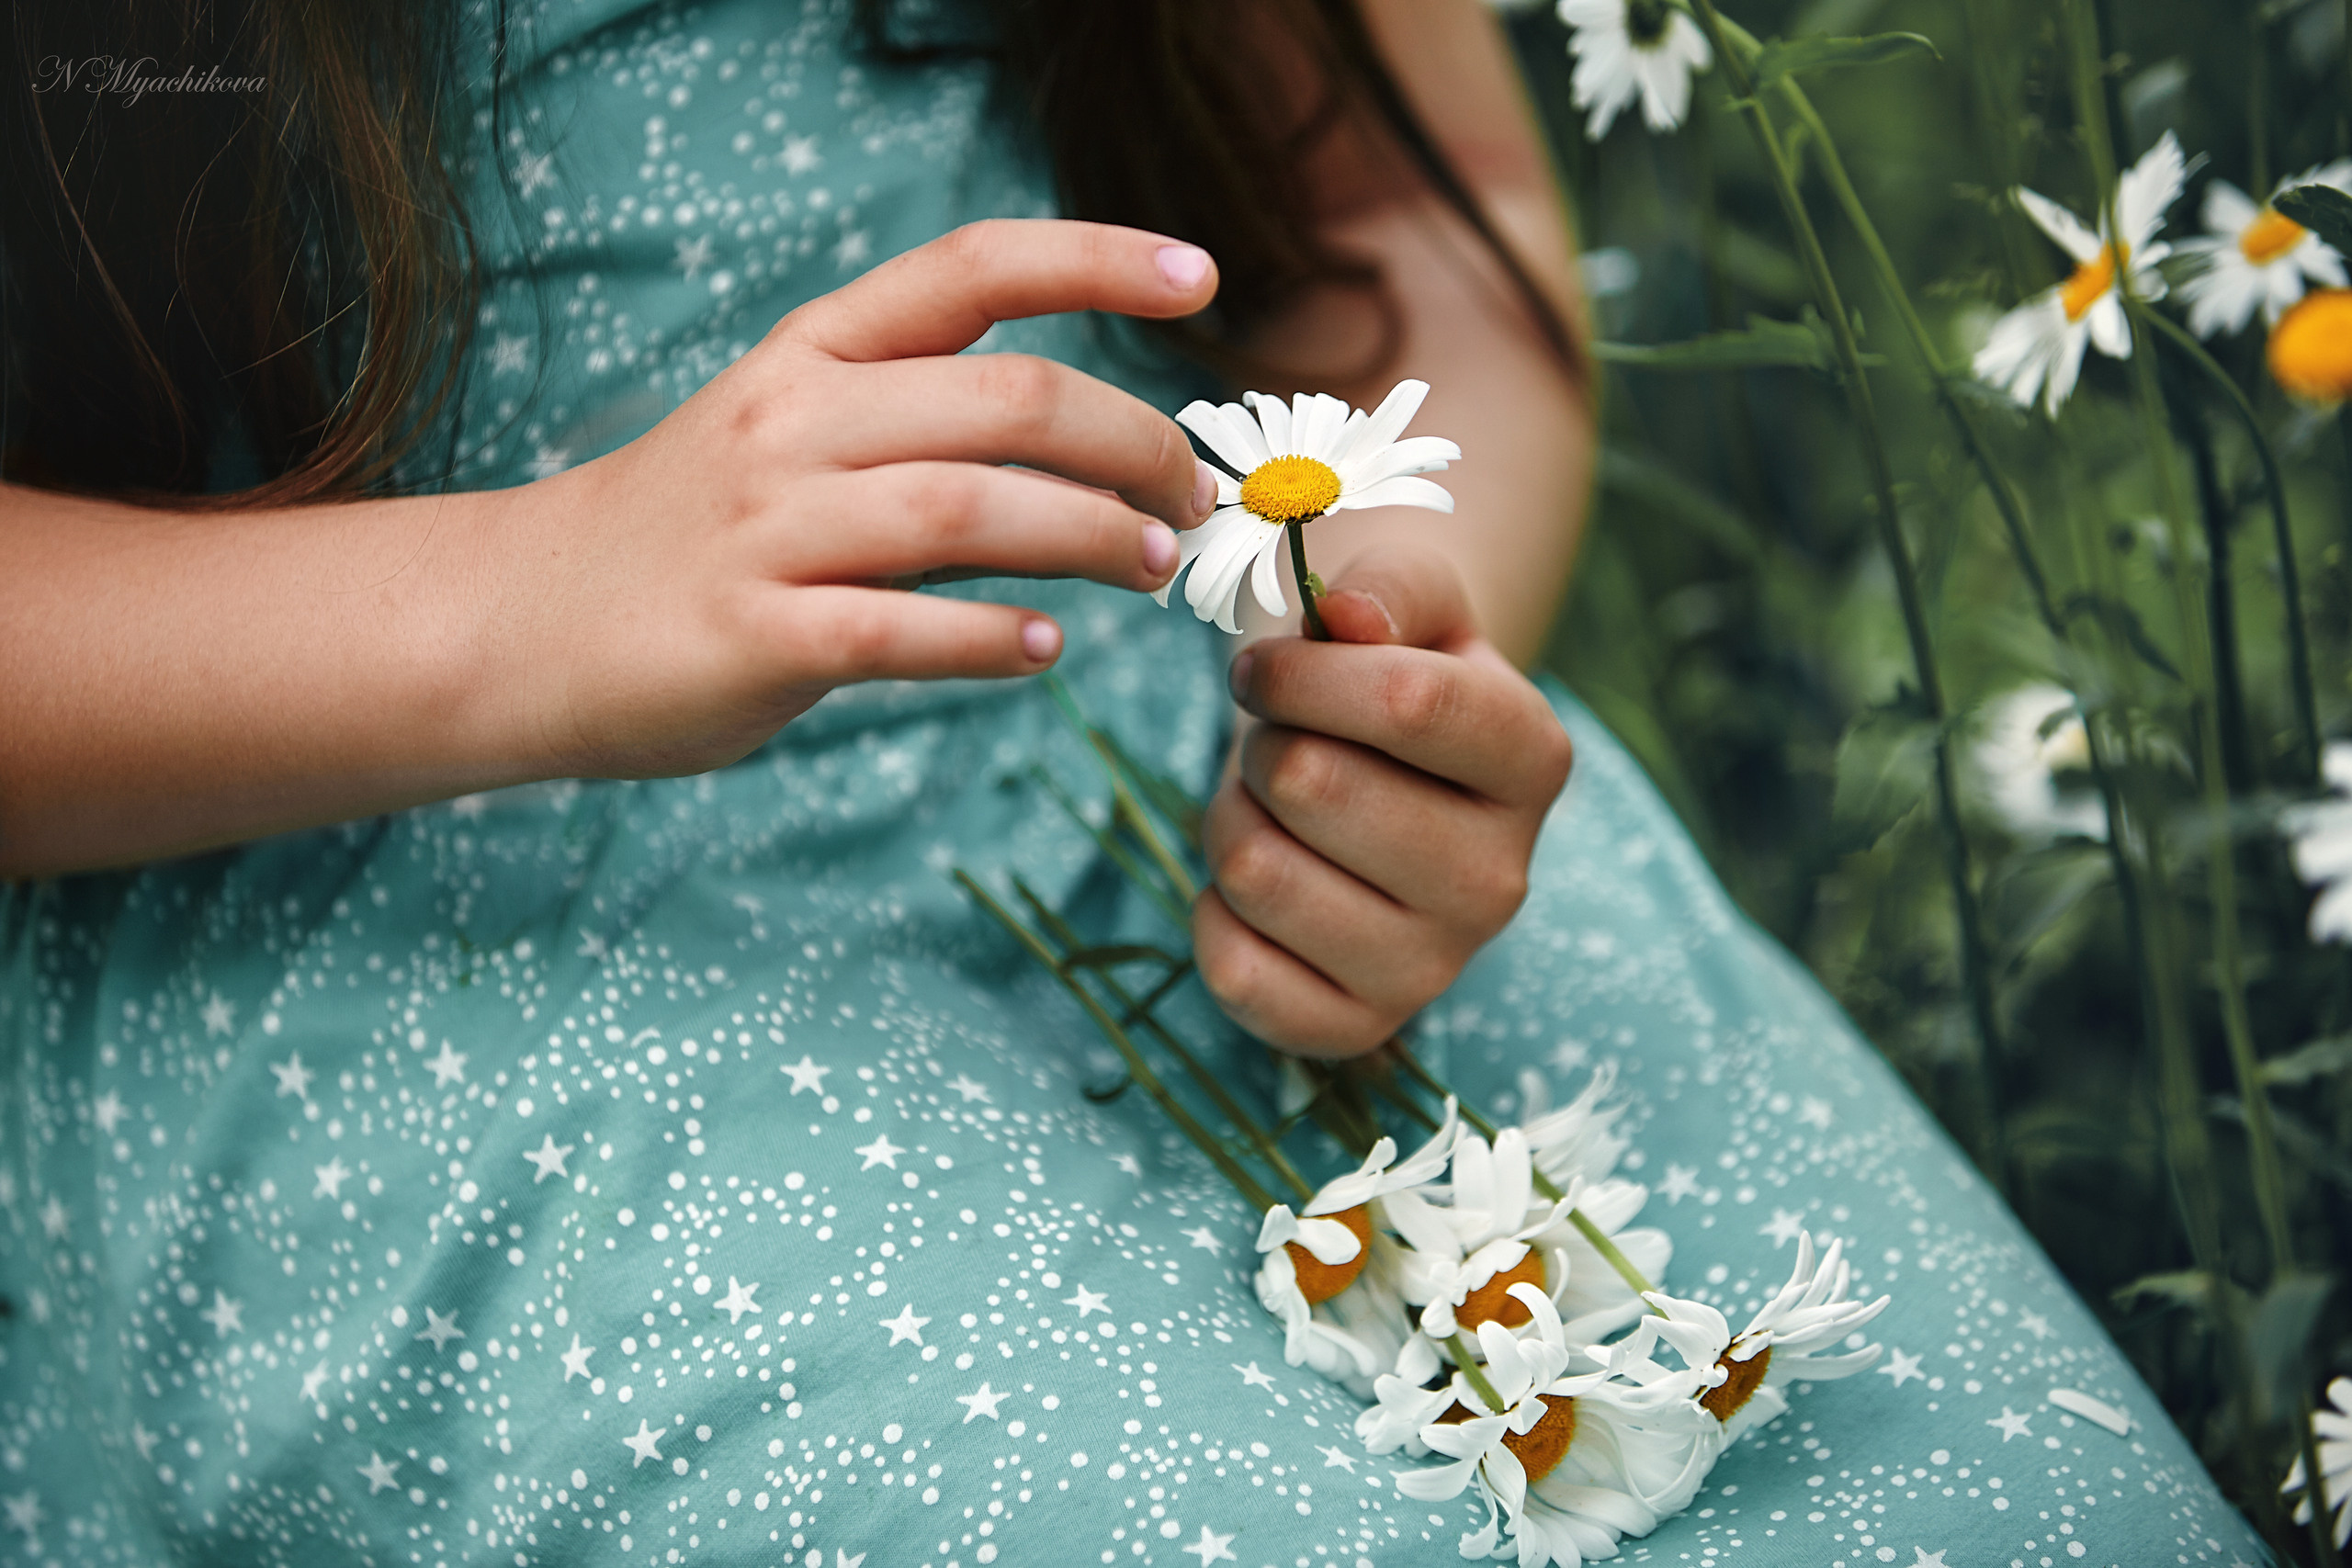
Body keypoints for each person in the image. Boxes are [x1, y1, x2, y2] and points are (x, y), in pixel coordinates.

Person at [0, 1, 2264, 1562]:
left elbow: (1415, 214)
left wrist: (1383, 629)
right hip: (366, 893)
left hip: (1195, 768)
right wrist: (536, 588)